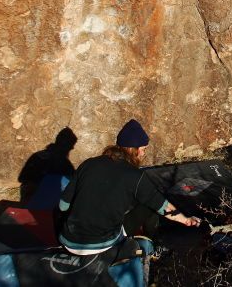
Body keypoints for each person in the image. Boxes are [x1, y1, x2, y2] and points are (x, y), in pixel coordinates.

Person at [57, 119, 199, 283]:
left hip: (68, 240)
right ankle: (153, 247)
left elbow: (63, 206)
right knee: (149, 207)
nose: (144, 154)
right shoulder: (135, 177)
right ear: (134, 150)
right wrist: (187, 220)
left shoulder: (89, 164)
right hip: (101, 245)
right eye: (143, 149)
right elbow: (164, 207)